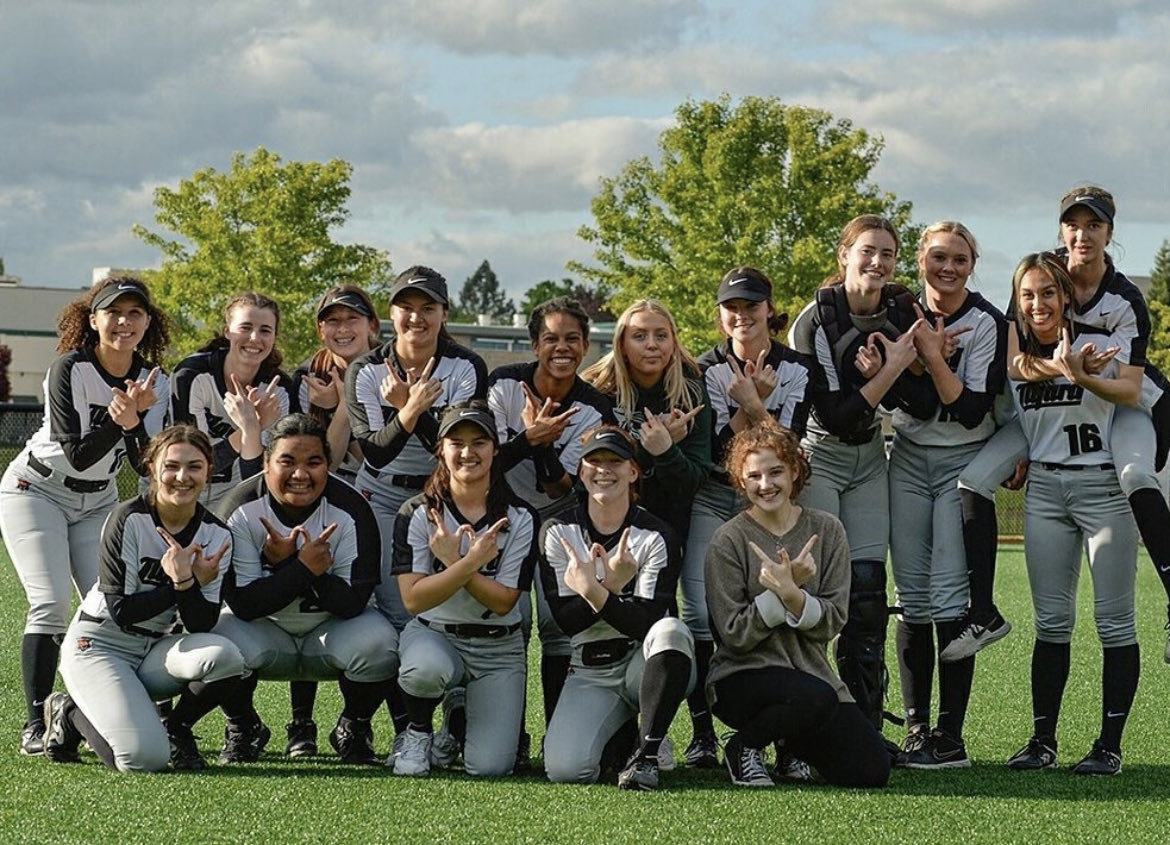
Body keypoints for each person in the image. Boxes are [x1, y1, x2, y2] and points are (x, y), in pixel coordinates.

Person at [953, 186, 1170, 663]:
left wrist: (1079, 374)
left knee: (1137, 476)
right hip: (1047, 410)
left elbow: (1132, 388)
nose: (1082, 234)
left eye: (1094, 225)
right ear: (1060, 230)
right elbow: (1015, 363)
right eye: (1073, 224)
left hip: (1126, 404)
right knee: (972, 481)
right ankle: (983, 610)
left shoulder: (1125, 298)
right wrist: (1064, 367)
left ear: (1110, 233)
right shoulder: (1038, 274)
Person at [0, 275, 171, 755]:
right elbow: (76, 454)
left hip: (97, 499)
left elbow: (144, 463)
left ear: (147, 323)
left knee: (112, 605)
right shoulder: (70, 367)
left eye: (135, 313)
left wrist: (135, 422)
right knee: (50, 604)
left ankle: (85, 708)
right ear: (93, 320)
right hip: (37, 490)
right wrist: (125, 419)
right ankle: (36, 723)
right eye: (113, 312)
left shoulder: (152, 376)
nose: (124, 321)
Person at [173, 413, 399, 765]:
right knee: (221, 643)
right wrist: (301, 567)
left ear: (328, 464)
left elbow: (353, 603)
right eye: (287, 461)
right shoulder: (241, 508)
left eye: (314, 462)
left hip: (330, 629)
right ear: (265, 463)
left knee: (381, 643)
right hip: (265, 631)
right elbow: (244, 604)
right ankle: (243, 726)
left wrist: (293, 567)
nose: (300, 474)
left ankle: (353, 726)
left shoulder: (352, 508)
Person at [787, 214, 934, 731]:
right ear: (843, 254)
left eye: (887, 255)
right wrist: (894, 369)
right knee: (824, 588)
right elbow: (834, 413)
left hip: (871, 456)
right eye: (867, 251)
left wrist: (899, 373)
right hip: (821, 455)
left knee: (869, 594)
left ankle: (865, 725)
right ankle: (813, 717)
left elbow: (922, 401)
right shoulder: (813, 319)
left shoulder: (903, 312)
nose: (877, 263)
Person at [42, 425, 249, 772]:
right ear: (152, 468)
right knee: (141, 759)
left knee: (227, 657)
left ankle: (175, 729)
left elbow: (202, 623)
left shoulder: (216, 533)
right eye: (171, 466)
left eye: (194, 466)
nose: (182, 476)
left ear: (209, 471)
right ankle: (69, 710)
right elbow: (122, 612)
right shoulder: (128, 518)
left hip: (154, 647)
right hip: (100, 644)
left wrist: (186, 583)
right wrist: (179, 583)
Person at [1003, 252, 1139, 776]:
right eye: (1028, 295)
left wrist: (1083, 372)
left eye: (1048, 293)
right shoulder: (1015, 357)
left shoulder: (1096, 345)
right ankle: (1043, 740)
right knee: (1052, 622)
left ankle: (1110, 745)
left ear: (1066, 296)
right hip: (1046, 493)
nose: (1038, 303)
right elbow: (1014, 378)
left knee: (1115, 621)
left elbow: (1134, 389)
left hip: (1103, 488)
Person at [345, 265, 488, 756]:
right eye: (407, 307)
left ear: (444, 313)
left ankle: (452, 722)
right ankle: (411, 728)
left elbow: (460, 448)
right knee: (396, 611)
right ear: (391, 313)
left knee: (453, 606)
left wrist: (411, 412)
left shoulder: (463, 367)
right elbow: (376, 452)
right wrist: (409, 412)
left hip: (443, 495)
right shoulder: (366, 368)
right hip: (382, 493)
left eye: (428, 307)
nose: (417, 317)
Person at [705, 423, 890, 788]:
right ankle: (745, 746)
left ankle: (792, 743)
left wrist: (792, 594)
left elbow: (833, 621)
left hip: (812, 677)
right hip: (741, 677)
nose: (765, 484)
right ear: (740, 482)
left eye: (775, 472)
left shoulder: (828, 530)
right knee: (812, 698)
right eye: (753, 476)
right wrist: (780, 594)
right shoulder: (727, 540)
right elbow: (734, 636)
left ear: (794, 471)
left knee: (870, 770)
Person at [888, 222, 1008, 768]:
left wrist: (932, 359)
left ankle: (951, 734)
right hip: (907, 459)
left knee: (946, 597)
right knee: (911, 595)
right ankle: (916, 728)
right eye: (939, 256)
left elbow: (967, 409)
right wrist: (910, 363)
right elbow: (910, 403)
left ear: (972, 264)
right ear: (921, 259)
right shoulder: (898, 312)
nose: (949, 267)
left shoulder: (986, 321)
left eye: (960, 258)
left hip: (962, 458)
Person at [684, 266, 813, 768]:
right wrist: (754, 409)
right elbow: (719, 450)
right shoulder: (702, 369)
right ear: (720, 316)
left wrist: (752, 405)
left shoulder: (798, 367)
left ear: (769, 310)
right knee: (700, 613)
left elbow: (793, 451)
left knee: (778, 606)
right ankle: (702, 734)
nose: (742, 316)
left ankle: (782, 735)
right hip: (715, 496)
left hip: (771, 503)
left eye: (751, 306)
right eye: (732, 307)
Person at [488, 296, 616, 741]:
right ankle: (508, 734)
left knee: (559, 627)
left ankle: (557, 733)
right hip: (500, 517)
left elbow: (562, 488)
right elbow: (484, 463)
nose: (561, 348)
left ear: (585, 346)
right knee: (509, 623)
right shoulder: (504, 384)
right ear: (533, 344)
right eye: (550, 339)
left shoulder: (594, 407)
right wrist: (529, 437)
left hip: (558, 520)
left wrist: (541, 443)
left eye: (571, 339)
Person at [540, 426, 695, 791]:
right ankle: (627, 733)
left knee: (671, 632)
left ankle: (649, 751)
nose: (603, 469)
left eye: (615, 461)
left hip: (642, 662)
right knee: (565, 770)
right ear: (581, 470)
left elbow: (646, 623)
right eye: (594, 461)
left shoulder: (656, 535)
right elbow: (567, 623)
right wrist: (610, 585)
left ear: (633, 471)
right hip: (590, 666)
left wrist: (593, 590)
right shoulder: (557, 531)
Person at [391, 403, 537, 777]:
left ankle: (456, 724)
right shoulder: (418, 512)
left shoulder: (520, 517)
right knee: (424, 669)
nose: (467, 453)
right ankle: (418, 731)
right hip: (435, 635)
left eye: (479, 442)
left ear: (496, 450)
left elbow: (505, 602)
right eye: (456, 442)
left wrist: (459, 562)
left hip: (497, 647)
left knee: (489, 767)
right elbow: (413, 599)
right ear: (441, 449)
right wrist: (469, 564)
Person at [284, 284, 382, 757]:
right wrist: (337, 405)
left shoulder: (388, 370)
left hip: (377, 501)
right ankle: (300, 722)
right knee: (306, 600)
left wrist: (346, 403)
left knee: (368, 610)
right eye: (332, 321)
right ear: (321, 330)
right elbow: (325, 455)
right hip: (319, 502)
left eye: (352, 320)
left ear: (372, 326)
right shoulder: (308, 376)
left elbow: (373, 452)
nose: (342, 329)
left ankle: (356, 721)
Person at [171, 291, 292, 507]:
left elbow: (259, 476)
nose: (254, 338)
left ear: (274, 337)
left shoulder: (279, 388)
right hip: (179, 490)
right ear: (227, 331)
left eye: (265, 330)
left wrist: (252, 430)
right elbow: (192, 465)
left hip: (239, 495)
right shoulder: (192, 375)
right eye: (245, 327)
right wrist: (251, 426)